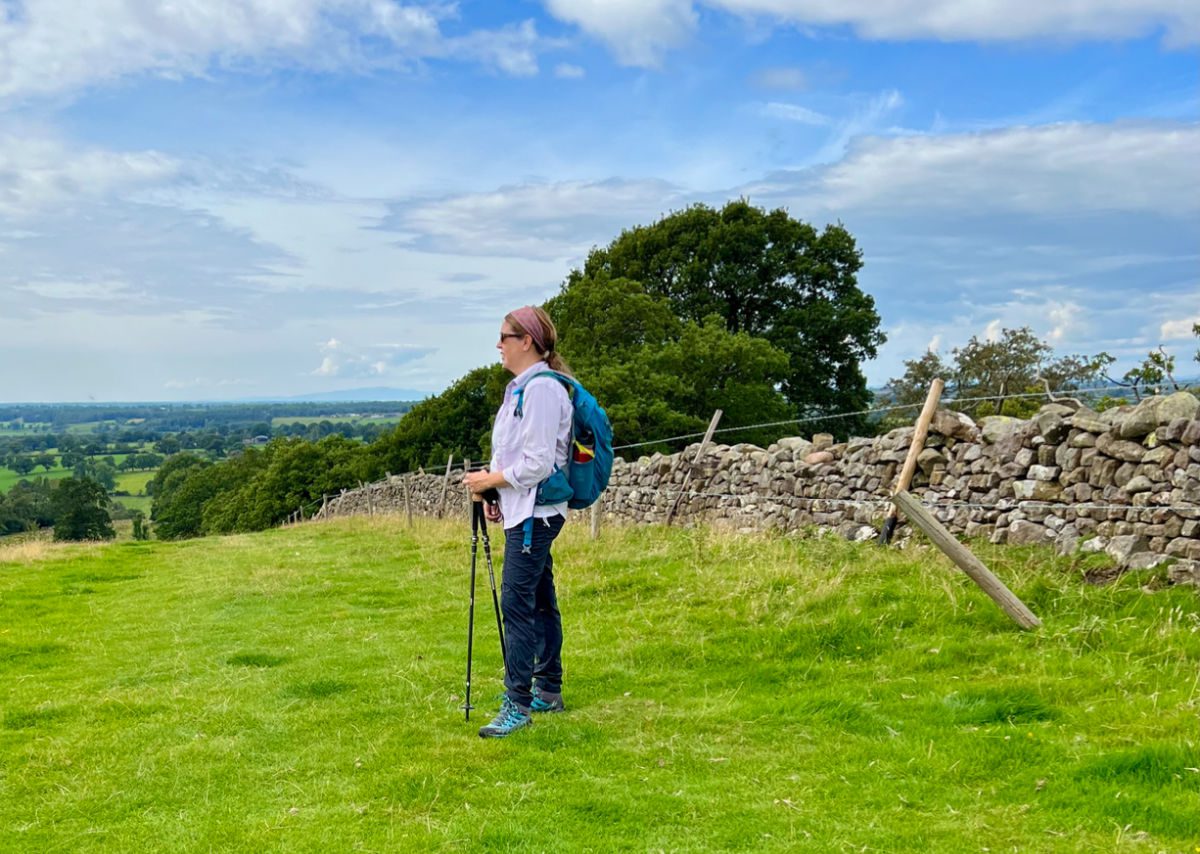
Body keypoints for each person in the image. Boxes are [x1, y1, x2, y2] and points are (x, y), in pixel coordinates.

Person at [463, 305, 573, 738]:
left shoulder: (543, 390)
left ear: (526, 341)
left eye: (504, 337)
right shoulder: (521, 389)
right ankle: (547, 689)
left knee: (517, 603)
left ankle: (518, 704)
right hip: (523, 510)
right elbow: (511, 453)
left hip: (536, 514)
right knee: (540, 596)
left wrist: (491, 480)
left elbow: (538, 463)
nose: (498, 345)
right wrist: (497, 494)